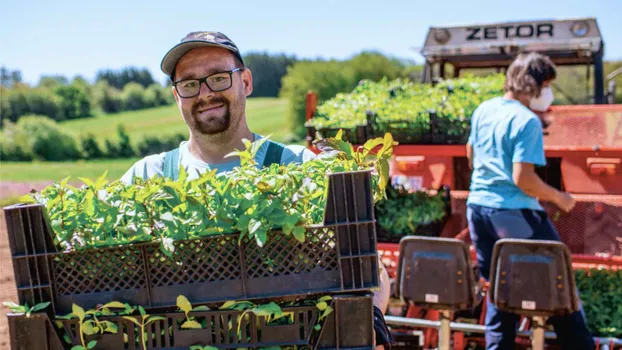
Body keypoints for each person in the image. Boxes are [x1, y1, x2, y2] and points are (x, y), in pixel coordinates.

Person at [120, 31, 393, 349]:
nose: (205, 93)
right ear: (176, 96)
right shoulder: (146, 178)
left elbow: (369, 266)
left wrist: (368, 318)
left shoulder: (299, 167)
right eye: (190, 84)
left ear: (246, 82)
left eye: (219, 78)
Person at [465, 52, 595, 349]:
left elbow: (471, 156)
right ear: (533, 85)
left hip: (478, 210)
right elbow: (523, 179)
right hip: (514, 215)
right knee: (558, 287)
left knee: (500, 287)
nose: (548, 92)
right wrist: (559, 198)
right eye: (547, 84)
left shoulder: (484, 110)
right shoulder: (527, 122)